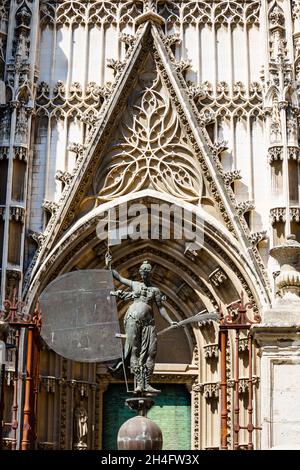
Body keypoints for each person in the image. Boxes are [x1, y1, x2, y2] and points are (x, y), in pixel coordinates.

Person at [105, 254, 177, 394]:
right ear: (140, 273)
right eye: (142, 272)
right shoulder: (135, 285)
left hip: (149, 323)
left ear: (150, 273)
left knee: (152, 351)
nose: (144, 274)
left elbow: (161, 308)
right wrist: (109, 266)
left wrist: (170, 321)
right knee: (135, 350)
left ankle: (147, 383)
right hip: (133, 319)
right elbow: (119, 278)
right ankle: (138, 384)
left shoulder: (155, 291)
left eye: (146, 272)